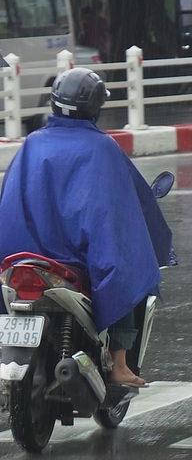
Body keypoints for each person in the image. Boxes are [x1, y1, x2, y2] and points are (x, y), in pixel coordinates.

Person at [0, 68, 173, 388]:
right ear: (95, 107)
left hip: (26, 254)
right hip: (78, 260)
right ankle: (119, 364)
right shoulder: (102, 147)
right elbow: (123, 211)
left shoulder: (33, 142)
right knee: (127, 265)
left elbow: (10, 201)